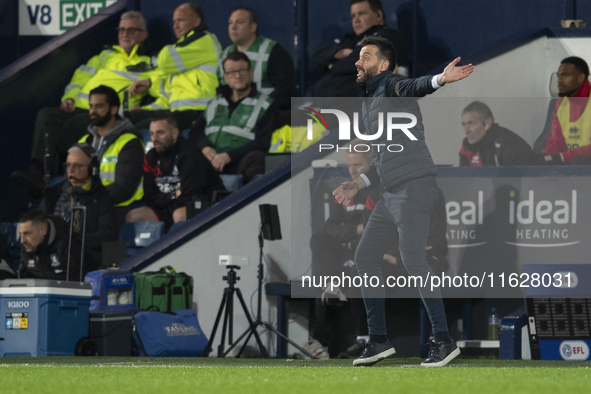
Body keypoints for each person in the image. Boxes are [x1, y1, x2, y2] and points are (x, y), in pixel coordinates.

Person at [332, 36, 473, 367]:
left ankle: (444, 341)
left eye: (365, 56)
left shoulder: (392, 85)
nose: (357, 61)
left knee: (412, 259)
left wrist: (440, 79)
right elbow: (383, 161)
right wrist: (359, 184)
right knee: (365, 256)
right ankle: (378, 341)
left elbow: (415, 86)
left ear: (382, 65)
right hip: (390, 192)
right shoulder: (369, 101)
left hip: (413, 188)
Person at [11, 11, 150, 194]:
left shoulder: (149, 62)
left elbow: (159, 85)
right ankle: (37, 172)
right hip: (78, 107)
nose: (124, 34)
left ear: (143, 35)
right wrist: (68, 98)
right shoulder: (103, 56)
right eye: (121, 30)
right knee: (46, 115)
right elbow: (79, 78)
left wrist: (148, 89)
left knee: (71, 126)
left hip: (106, 114)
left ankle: (53, 179)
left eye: (131, 30)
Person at [129, 3, 221, 131]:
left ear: (196, 21)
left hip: (199, 111)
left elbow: (165, 61)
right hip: (177, 112)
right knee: (129, 118)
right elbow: (168, 95)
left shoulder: (205, 40)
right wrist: (145, 106)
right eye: (174, 22)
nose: (175, 26)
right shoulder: (182, 51)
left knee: (138, 130)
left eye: (181, 20)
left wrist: (168, 51)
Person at [189, 51, 276, 183]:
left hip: (240, 161)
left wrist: (229, 156)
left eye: (242, 70)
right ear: (225, 77)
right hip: (210, 161)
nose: (238, 75)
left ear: (250, 73)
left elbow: (263, 142)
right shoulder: (215, 102)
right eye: (231, 72)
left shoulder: (265, 104)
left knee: (258, 159)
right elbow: (195, 131)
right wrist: (205, 147)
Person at [125, 113, 225, 229]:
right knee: (133, 216)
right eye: (152, 134)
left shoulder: (190, 155)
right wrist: (172, 195)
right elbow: (150, 196)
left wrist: (166, 200)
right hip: (168, 206)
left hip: (203, 205)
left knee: (179, 215)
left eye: (160, 133)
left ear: (174, 133)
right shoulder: (150, 157)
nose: (154, 139)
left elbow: (190, 195)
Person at [42, 143, 118, 271]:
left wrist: (74, 240)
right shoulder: (53, 195)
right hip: (53, 258)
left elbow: (107, 235)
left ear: (93, 168)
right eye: (68, 165)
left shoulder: (102, 197)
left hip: (86, 261)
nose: (70, 170)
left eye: (77, 166)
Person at [312, 0, 410, 97]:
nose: (356, 20)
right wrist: (345, 52)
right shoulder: (348, 39)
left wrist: (331, 66)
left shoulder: (387, 36)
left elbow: (353, 63)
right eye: (353, 16)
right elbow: (318, 54)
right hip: (326, 104)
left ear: (379, 15)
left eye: (361, 14)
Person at [78, 85, 144, 228]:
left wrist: (90, 200)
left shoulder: (129, 142)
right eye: (91, 106)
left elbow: (123, 188)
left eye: (99, 106)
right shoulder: (83, 142)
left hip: (120, 209)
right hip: (89, 208)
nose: (93, 111)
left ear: (114, 109)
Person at [217, 6, 297, 110]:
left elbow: (286, 91)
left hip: (266, 116)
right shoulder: (224, 55)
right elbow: (221, 91)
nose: (233, 27)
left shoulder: (272, 51)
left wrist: (259, 109)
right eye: (230, 23)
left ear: (253, 27)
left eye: (239, 22)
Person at [538, 56, 591, 165]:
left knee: (578, 162)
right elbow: (556, 141)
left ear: (580, 78)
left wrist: (563, 156)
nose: (559, 81)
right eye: (558, 76)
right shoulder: (560, 105)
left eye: (565, 75)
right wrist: (546, 155)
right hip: (574, 161)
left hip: (582, 161)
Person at [459, 101, 534, 166]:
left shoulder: (509, 144)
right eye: (464, 124)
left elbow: (516, 180)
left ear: (487, 123)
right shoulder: (467, 145)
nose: (466, 131)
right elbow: (464, 180)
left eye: (471, 123)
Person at [18, 210, 83, 281]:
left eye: (27, 233)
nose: (22, 240)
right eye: (20, 234)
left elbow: (77, 282)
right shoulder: (29, 246)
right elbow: (25, 279)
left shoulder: (69, 243)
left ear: (43, 229)